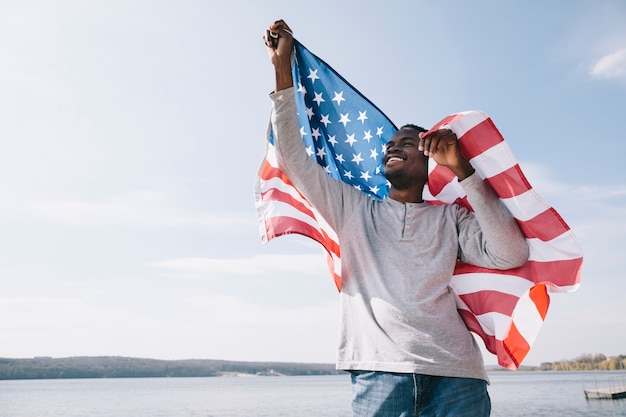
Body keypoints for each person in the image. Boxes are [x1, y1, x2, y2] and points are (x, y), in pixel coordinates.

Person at [262, 20, 529, 417]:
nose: (393, 148)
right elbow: (294, 160)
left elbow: (511, 253)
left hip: (458, 377)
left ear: (428, 160)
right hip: (379, 374)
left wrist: (463, 170)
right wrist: (282, 70)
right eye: (389, 145)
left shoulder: (450, 218)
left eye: (406, 143)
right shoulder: (352, 209)